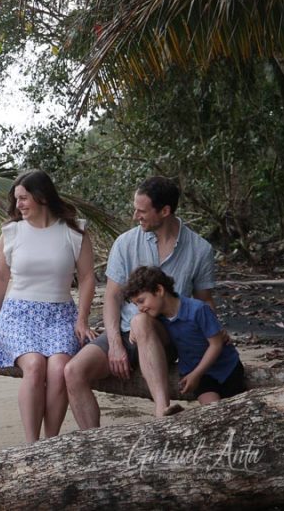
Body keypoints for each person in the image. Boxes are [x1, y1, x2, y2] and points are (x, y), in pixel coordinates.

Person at [64, 176, 218, 428]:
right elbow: (112, 297)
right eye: (135, 208)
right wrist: (114, 344)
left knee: (142, 320)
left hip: (172, 336)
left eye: (142, 210)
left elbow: (205, 301)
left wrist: (216, 339)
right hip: (125, 332)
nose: (135, 215)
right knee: (72, 372)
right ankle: (92, 443)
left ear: (165, 211)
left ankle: (162, 411)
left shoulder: (200, 249)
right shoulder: (125, 243)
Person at [0, 170, 96, 442]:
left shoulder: (74, 232)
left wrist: (82, 319)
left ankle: (50, 441)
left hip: (61, 314)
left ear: (42, 197)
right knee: (34, 366)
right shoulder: (11, 233)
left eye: (23, 198)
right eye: (16, 199)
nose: (18, 205)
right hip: (18, 313)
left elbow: (88, 277)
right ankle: (32, 444)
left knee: (58, 369)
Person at [124, 266, 245, 404]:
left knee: (236, 409)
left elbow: (216, 344)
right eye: (136, 304)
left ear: (159, 290)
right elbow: (143, 324)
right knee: (212, 409)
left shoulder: (198, 310)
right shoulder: (158, 318)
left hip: (227, 368)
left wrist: (196, 374)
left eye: (141, 301)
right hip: (201, 376)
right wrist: (135, 324)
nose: (140, 308)